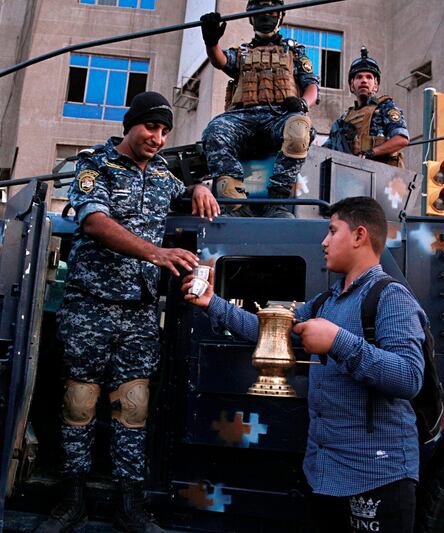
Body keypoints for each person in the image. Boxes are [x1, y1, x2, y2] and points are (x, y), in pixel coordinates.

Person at [183, 196, 426, 532]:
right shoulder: (326, 301)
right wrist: (213, 303)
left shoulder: (390, 297)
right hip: (324, 475)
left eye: (332, 231)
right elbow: (268, 330)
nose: (324, 242)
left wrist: (337, 341)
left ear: (359, 236)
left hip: (376, 477)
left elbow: (409, 377)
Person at [37, 91, 219, 533]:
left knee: (133, 406)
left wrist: (197, 186)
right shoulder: (93, 165)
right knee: (80, 402)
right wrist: (155, 253)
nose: (156, 138)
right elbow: (94, 221)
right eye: (149, 128)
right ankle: (72, 498)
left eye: (163, 131)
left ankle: (129, 501)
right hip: (90, 303)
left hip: (138, 310)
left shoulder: (162, 175)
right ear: (130, 125)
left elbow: (183, 193)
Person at [199, 0, 319, 218]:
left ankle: (277, 202)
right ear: (251, 18)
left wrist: (302, 103)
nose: (267, 17)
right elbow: (220, 60)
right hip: (243, 119)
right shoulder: (243, 52)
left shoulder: (295, 52)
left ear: (280, 16)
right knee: (215, 130)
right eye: (261, 11)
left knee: (300, 128)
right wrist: (210, 41)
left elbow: (311, 85)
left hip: (278, 117)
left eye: (272, 11)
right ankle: (235, 204)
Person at [323, 48, 409, 168]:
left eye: (369, 77)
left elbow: (401, 139)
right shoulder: (342, 121)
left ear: (376, 86)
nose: (364, 80)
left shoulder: (385, 108)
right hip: (349, 176)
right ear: (352, 86)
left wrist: (372, 152)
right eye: (359, 77)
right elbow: (326, 150)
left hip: (383, 176)